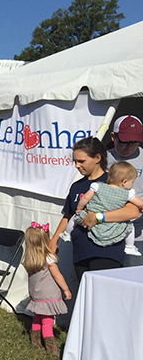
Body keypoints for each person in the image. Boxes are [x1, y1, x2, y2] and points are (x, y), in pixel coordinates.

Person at [49, 138, 139, 282]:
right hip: (81, 251)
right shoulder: (77, 186)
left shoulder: (112, 182)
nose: (77, 165)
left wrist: (98, 217)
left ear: (97, 158)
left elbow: (133, 212)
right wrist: (54, 241)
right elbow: (69, 215)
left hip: (106, 250)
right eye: (75, 161)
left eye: (81, 161)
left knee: (103, 294)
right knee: (86, 294)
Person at [22, 222, 71, 356]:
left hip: (36, 295)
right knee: (48, 322)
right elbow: (57, 275)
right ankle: (52, 349)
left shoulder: (30, 258)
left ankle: (35, 342)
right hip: (48, 296)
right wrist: (66, 289)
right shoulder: (49, 258)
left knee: (38, 317)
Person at [75, 161, 143, 249]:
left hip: (89, 217)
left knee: (74, 218)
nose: (132, 185)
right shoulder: (127, 194)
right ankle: (130, 246)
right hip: (111, 225)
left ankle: (67, 234)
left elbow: (84, 198)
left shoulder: (98, 186)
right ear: (124, 182)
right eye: (132, 182)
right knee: (130, 227)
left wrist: (79, 209)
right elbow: (140, 204)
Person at [107, 115, 143, 264]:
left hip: (138, 234)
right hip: (107, 232)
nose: (130, 146)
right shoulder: (102, 159)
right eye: (125, 142)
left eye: (135, 142)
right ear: (113, 137)